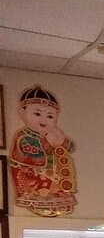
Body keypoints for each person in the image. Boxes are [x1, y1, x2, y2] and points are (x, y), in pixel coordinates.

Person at [10, 85, 77, 217]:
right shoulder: (24, 136)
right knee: (39, 189)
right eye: (37, 113)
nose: (43, 119)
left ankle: (55, 201)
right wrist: (49, 145)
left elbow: (71, 147)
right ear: (22, 113)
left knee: (56, 188)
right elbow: (31, 157)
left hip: (51, 173)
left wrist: (61, 141)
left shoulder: (52, 133)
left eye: (50, 116)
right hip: (32, 174)